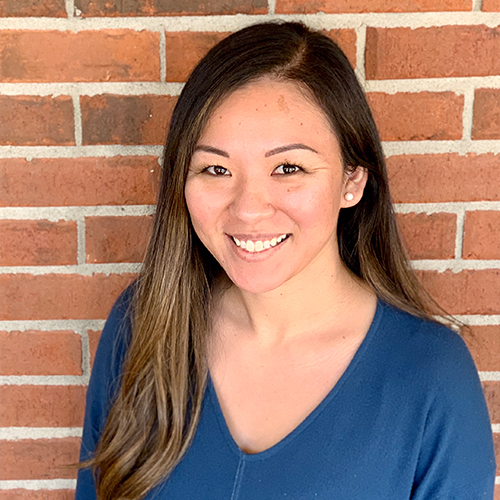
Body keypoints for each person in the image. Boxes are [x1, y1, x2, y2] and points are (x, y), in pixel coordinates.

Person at [75, 21, 496, 500]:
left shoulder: (430, 376)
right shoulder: (143, 326)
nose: (248, 209)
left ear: (352, 181)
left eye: (288, 168)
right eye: (216, 168)